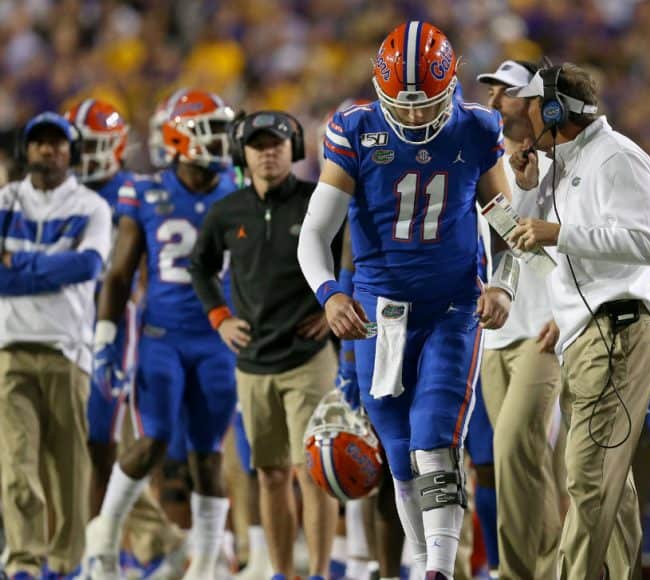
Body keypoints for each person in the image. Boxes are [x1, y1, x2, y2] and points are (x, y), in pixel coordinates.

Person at [297, 21, 515, 580]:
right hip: (379, 314)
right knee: (398, 451)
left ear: (451, 85)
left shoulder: (476, 129)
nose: (415, 116)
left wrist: (503, 284)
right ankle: (425, 564)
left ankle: (439, 569)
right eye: (404, 105)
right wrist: (328, 294)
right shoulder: (354, 128)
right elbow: (314, 234)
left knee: (434, 437)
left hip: (451, 309)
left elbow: (507, 226)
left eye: (427, 104)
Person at [504, 62, 650, 580]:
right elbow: (542, 254)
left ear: (555, 110)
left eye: (530, 105)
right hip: (587, 334)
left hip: (617, 327)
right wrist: (528, 190)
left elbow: (645, 244)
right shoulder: (570, 163)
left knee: (589, 479)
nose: (520, 116)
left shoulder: (617, 158)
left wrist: (560, 231)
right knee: (610, 488)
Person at [82, 89, 239, 580]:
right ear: (179, 135)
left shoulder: (236, 188)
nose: (220, 140)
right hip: (161, 338)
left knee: (208, 458)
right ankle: (102, 542)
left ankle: (207, 565)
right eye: (208, 129)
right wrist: (107, 334)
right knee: (152, 441)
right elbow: (119, 272)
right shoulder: (146, 191)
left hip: (218, 341)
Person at [188, 109, 341, 580]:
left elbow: (354, 258)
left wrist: (333, 310)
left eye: (276, 143)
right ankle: (280, 572)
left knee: (312, 474)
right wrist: (220, 319)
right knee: (271, 474)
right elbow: (200, 267)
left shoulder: (319, 201)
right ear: (242, 153)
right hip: (252, 362)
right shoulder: (226, 211)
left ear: (292, 149)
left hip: (307, 358)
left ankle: (316, 570)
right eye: (257, 145)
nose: (268, 152)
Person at [0, 112, 112, 578]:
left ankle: (65, 563)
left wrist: (18, 270)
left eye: (57, 143)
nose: (48, 150)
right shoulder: (5, 200)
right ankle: (25, 560)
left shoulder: (92, 206)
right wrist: (50, 268)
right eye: (40, 143)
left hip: (68, 348)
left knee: (69, 468)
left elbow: (87, 267)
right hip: (9, 346)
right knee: (16, 463)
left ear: (72, 153)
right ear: (26, 150)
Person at [476, 58, 563, 580]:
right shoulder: (485, 165)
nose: (494, 102)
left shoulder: (562, 167)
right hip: (493, 335)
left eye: (507, 93)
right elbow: (490, 245)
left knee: (514, 451)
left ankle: (523, 572)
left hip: (544, 328)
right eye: (492, 92)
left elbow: (539, 251)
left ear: (534, 101)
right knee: (524, 465)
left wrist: (527, 189)